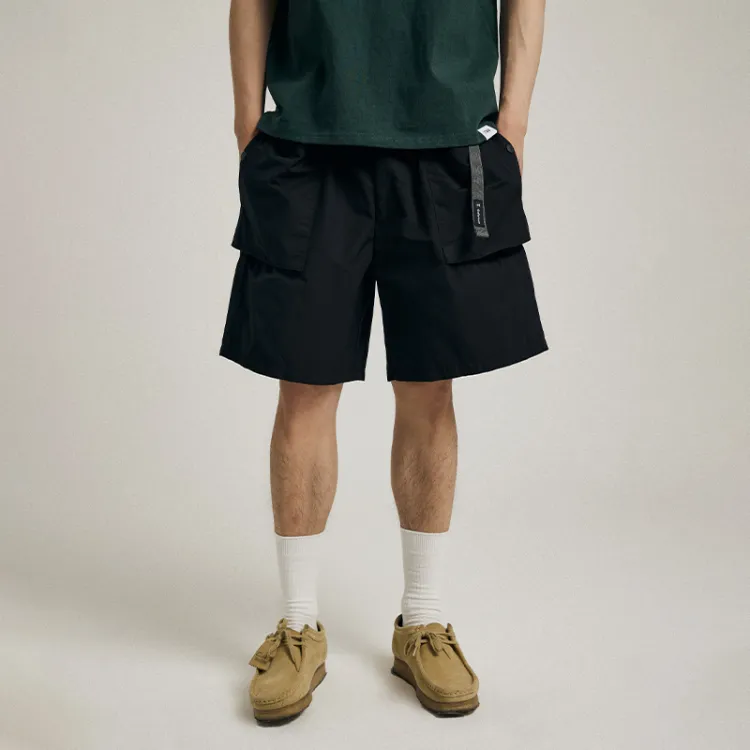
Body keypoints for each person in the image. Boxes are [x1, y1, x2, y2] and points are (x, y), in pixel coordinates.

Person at [223, 0, 547, 723]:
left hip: (448, 138)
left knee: (429, 387)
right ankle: (298, 626)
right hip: (308, 141)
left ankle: (423, 621)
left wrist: (515, 121)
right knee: (305, 388)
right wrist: (247, 125)